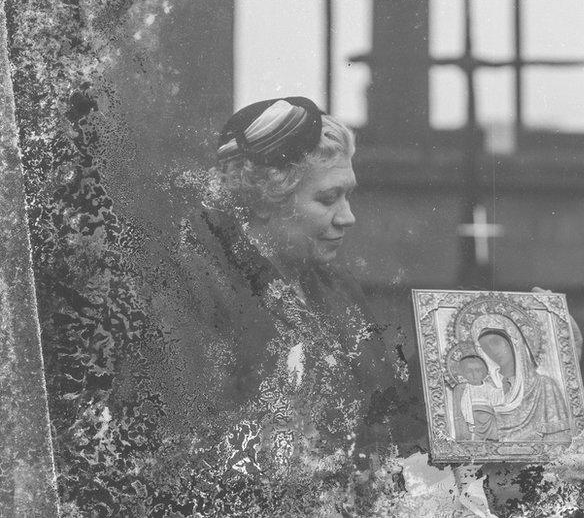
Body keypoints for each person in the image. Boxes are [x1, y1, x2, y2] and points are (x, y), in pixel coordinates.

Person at [143, 97, 415, 513]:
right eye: (328, 199)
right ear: (266, 198)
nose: (348, 217)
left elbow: (385, 421)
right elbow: (188, 452)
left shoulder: (338, 288)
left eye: (348, 196)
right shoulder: (191, 288)